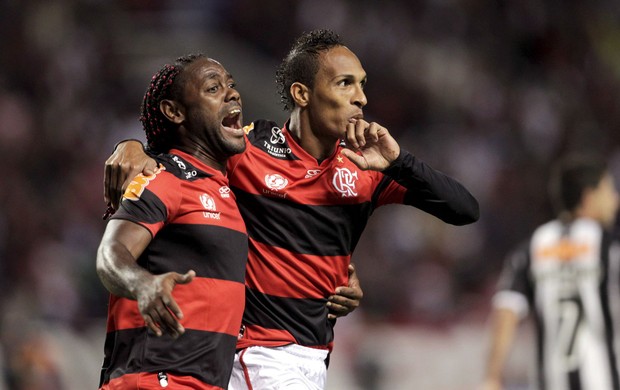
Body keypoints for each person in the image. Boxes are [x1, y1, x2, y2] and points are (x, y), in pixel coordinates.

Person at [104, 29, 480, 389]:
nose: (361, 98)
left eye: (362, 83)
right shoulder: (248, 150)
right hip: (258, 354)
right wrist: (134, 147)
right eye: (345, 83)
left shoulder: (365, 168)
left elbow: (464, 209)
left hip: (314, 355)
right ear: (302, 93)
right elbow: (187, 152)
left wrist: (400, 162)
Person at [96, 53, 249, 389]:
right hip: (154, 380)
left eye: (232, 86)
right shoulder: (165, 177)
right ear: (175, 112)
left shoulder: (223, 188)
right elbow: (111, 251)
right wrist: (143, 284)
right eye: (213, 88)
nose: (232, 94)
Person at [481, 154, 620, 390]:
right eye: (609, 190)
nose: (615, 200)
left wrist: (492, 377)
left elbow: (506, 312)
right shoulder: (610, 248)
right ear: (589, 197)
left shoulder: (531, 248)